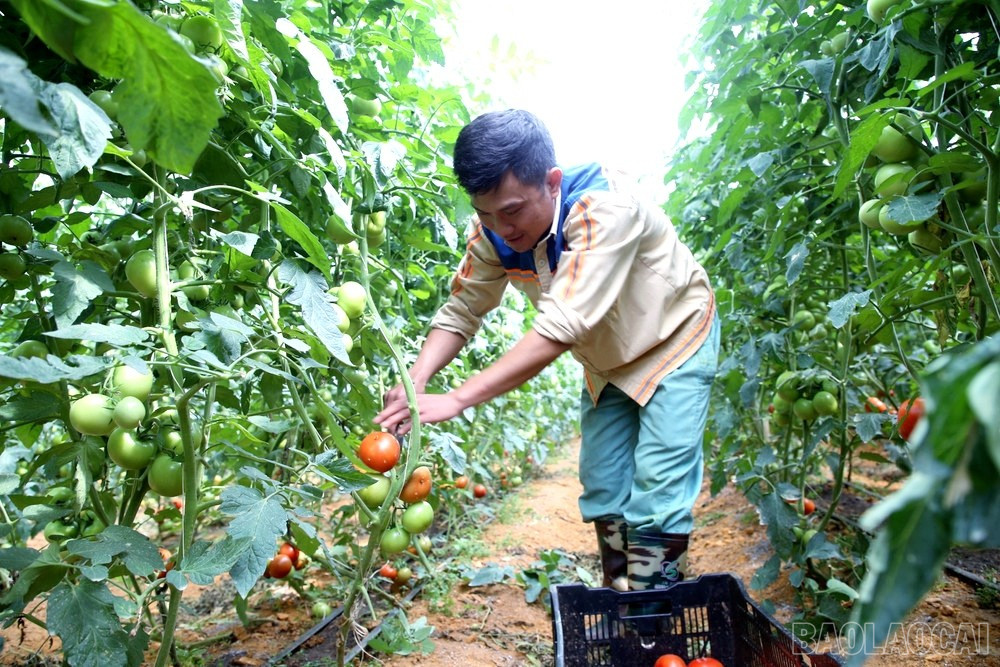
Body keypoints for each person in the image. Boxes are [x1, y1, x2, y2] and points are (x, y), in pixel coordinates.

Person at [375, 109, 719, 591]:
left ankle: (653, 611)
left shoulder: (606, 208)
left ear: (552, 182)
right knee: (603, 485)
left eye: (512, 210)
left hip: (674, 340)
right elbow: (462, 309)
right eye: (484, 213)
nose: (500, 227)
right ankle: (622, 595)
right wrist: (418, 377)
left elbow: (562, 325)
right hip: (605, 361)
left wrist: (457, 399)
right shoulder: (493, 234)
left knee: (658, 491)